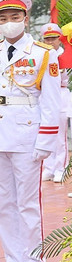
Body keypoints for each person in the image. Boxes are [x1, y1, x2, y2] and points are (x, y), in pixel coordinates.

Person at [0, 0, 62, 262]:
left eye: (15, 16)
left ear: (26, 18)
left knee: (28, 204)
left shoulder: (43, 54)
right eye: (4, 17)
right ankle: (12, 261)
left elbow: (51, 101)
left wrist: (46, 140)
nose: (9, 22)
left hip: (28, 135)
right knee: (3, 203)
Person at [41, 23, 71, 184]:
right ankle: (49, 167)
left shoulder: (65, 55)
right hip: (45, 96)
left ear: (59, 39)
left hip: (60, 94)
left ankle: (61, 168)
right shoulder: (42, 55)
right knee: (47, 133)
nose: (50, 41)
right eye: (47, 39)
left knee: (60, 137)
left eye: (53, 38)